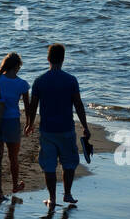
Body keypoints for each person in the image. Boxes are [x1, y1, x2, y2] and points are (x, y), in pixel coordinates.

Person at [25, 43, 91, 209]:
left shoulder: (40, 81)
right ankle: (67, 193)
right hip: (66, 128)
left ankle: (52, 198)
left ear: (48, 59)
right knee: (69, 163)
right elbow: (78, 105)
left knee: (49, 164)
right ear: (63, 59)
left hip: (47, 129)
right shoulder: (70, 80)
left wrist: (29, 124)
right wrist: (85, 125)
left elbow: (33, 106)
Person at [0, 51, 29, 201]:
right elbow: (28, 107)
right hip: (12, 122)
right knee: (13, 157)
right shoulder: (22, 84)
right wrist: (29, 123)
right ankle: (15, 185)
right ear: (17, 66)